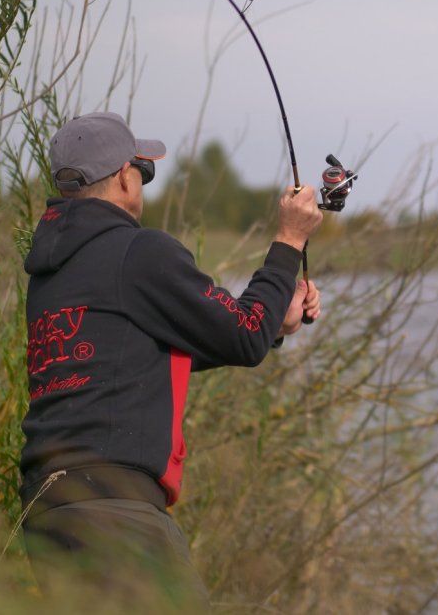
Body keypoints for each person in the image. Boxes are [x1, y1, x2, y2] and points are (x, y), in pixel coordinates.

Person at [18, 111, 323, 608]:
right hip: (117, 514)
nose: (142, 182)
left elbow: (145, 354)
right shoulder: (138, 252)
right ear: (122, 177)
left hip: (46, 515)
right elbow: (240, 335)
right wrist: (289, 243)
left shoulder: (51, 273)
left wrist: (273, 325)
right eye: (143, 170)